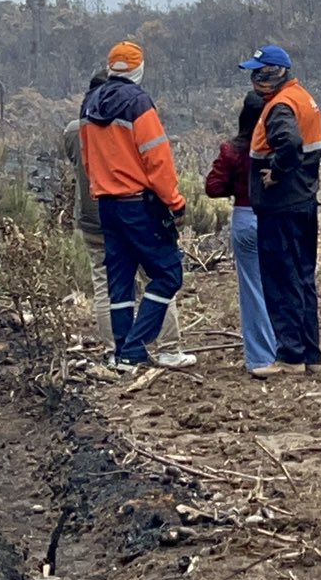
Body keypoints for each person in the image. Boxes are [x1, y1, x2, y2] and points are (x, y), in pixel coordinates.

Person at [79, 41, 196, 370]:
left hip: (106, 204)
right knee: (168, 275)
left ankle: (121, 354)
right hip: (139, 205)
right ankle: (134, 347)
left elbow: (89, 159)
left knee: (120, 282)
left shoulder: (89, 103)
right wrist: (175, 202)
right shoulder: (139, 103)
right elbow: (157, 158)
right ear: (137, 68)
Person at [64, 74, 183, 359]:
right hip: (134, 209)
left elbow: (79, 163)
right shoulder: (129, 119)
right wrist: (173, 204)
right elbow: (152, 160)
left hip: (93, 216)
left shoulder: (75, 128)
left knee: (107, 285)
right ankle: (165, 347)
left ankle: (115, 350)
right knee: (159, 276)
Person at [239, 44, 321, 372]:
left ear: (277, 71)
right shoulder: (303, 98)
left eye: (260, 72)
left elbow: (291, 144)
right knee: (303, 277)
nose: (255, 79)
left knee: (281, 280)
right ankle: (310, 354)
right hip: (303, 201)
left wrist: (277, 172)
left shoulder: (280, 106)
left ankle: (290, 356)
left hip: (281, 207)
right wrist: (308, 167)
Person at [205, 91, 278, 378]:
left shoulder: (233, 150)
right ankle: (290, 349)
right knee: (282, 284)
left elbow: (213, 187)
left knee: (252, 289)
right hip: (278, 217)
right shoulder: (278, 148)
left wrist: (236, 187)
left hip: (246, 217)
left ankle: (261, 358)